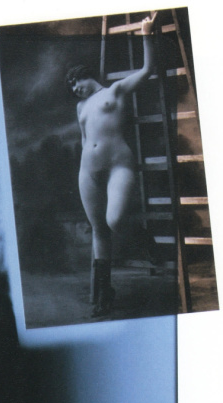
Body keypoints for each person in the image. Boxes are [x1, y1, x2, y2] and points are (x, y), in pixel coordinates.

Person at [66, 12, 157, 317]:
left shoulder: (114, 90)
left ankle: (143, 238)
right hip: (88, 171)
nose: (74, 88)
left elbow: (147, 70)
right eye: (71, 86)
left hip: (119, 165)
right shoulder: (80, 107)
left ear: (86, 75)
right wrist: (87, 165)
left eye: (76, 81)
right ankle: (103, 297)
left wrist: (146, 33)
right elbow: (84, 139)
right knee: (98, 230)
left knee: (115, 220)